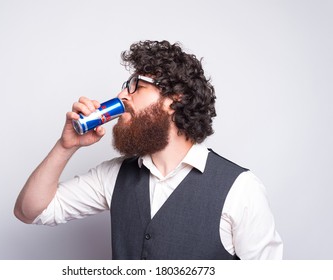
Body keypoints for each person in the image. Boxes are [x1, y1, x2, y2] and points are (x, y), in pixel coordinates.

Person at [14, 40, 283, 260]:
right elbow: (31, 211)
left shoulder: (241, 189)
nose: (122, 97)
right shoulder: (114, 175)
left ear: (174, 100)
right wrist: (65, 146)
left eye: (137, 87)